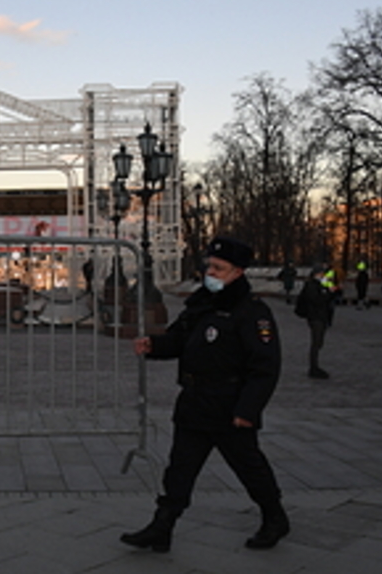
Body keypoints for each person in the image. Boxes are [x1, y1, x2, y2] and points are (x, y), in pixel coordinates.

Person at [121, 236, 289, 553]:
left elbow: (265, 367)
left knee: (249, 468)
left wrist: (248, 410)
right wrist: (153, 345)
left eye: (218, 268)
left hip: (230, 406)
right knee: (180, 469)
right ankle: (162, 526)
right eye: (209, 266)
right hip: (195, 402)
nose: (209, 273)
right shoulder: (201, 305)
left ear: (238, 272)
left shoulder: (251, 312)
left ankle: (274, 517)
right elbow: (179, 339)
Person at [296, 265, 332, 379]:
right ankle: (313, 367)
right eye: (321, 274)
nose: (323, 276)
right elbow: (317, 300)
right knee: (316, 342)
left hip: (321, 316)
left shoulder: (321, 285)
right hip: (315, 316)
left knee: (319, 342)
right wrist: (326, 293)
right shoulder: (312, 285)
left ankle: (314, 366)